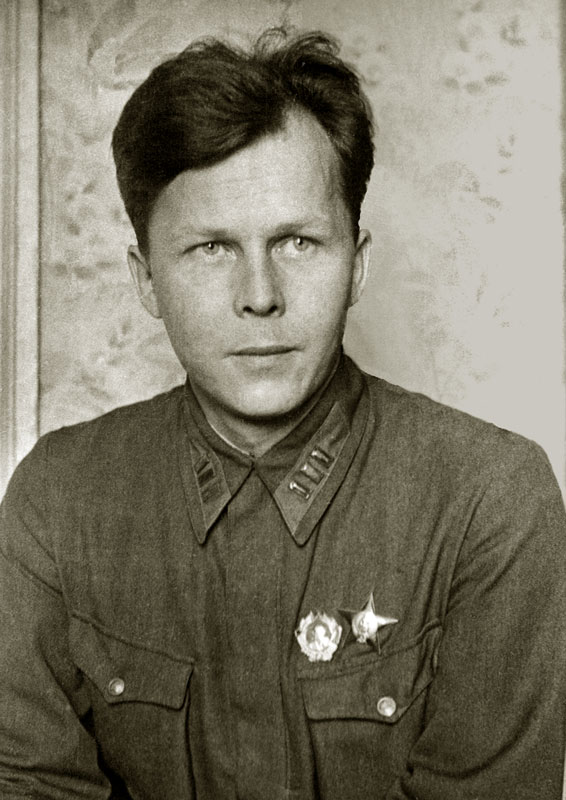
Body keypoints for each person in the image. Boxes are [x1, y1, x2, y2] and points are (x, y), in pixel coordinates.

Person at [0, 27, 565, 800]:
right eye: (211, 249)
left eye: (297, 242)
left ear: (357, 262)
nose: (260, 296)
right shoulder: (56, 501)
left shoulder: (492, 502)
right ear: (146, 278)